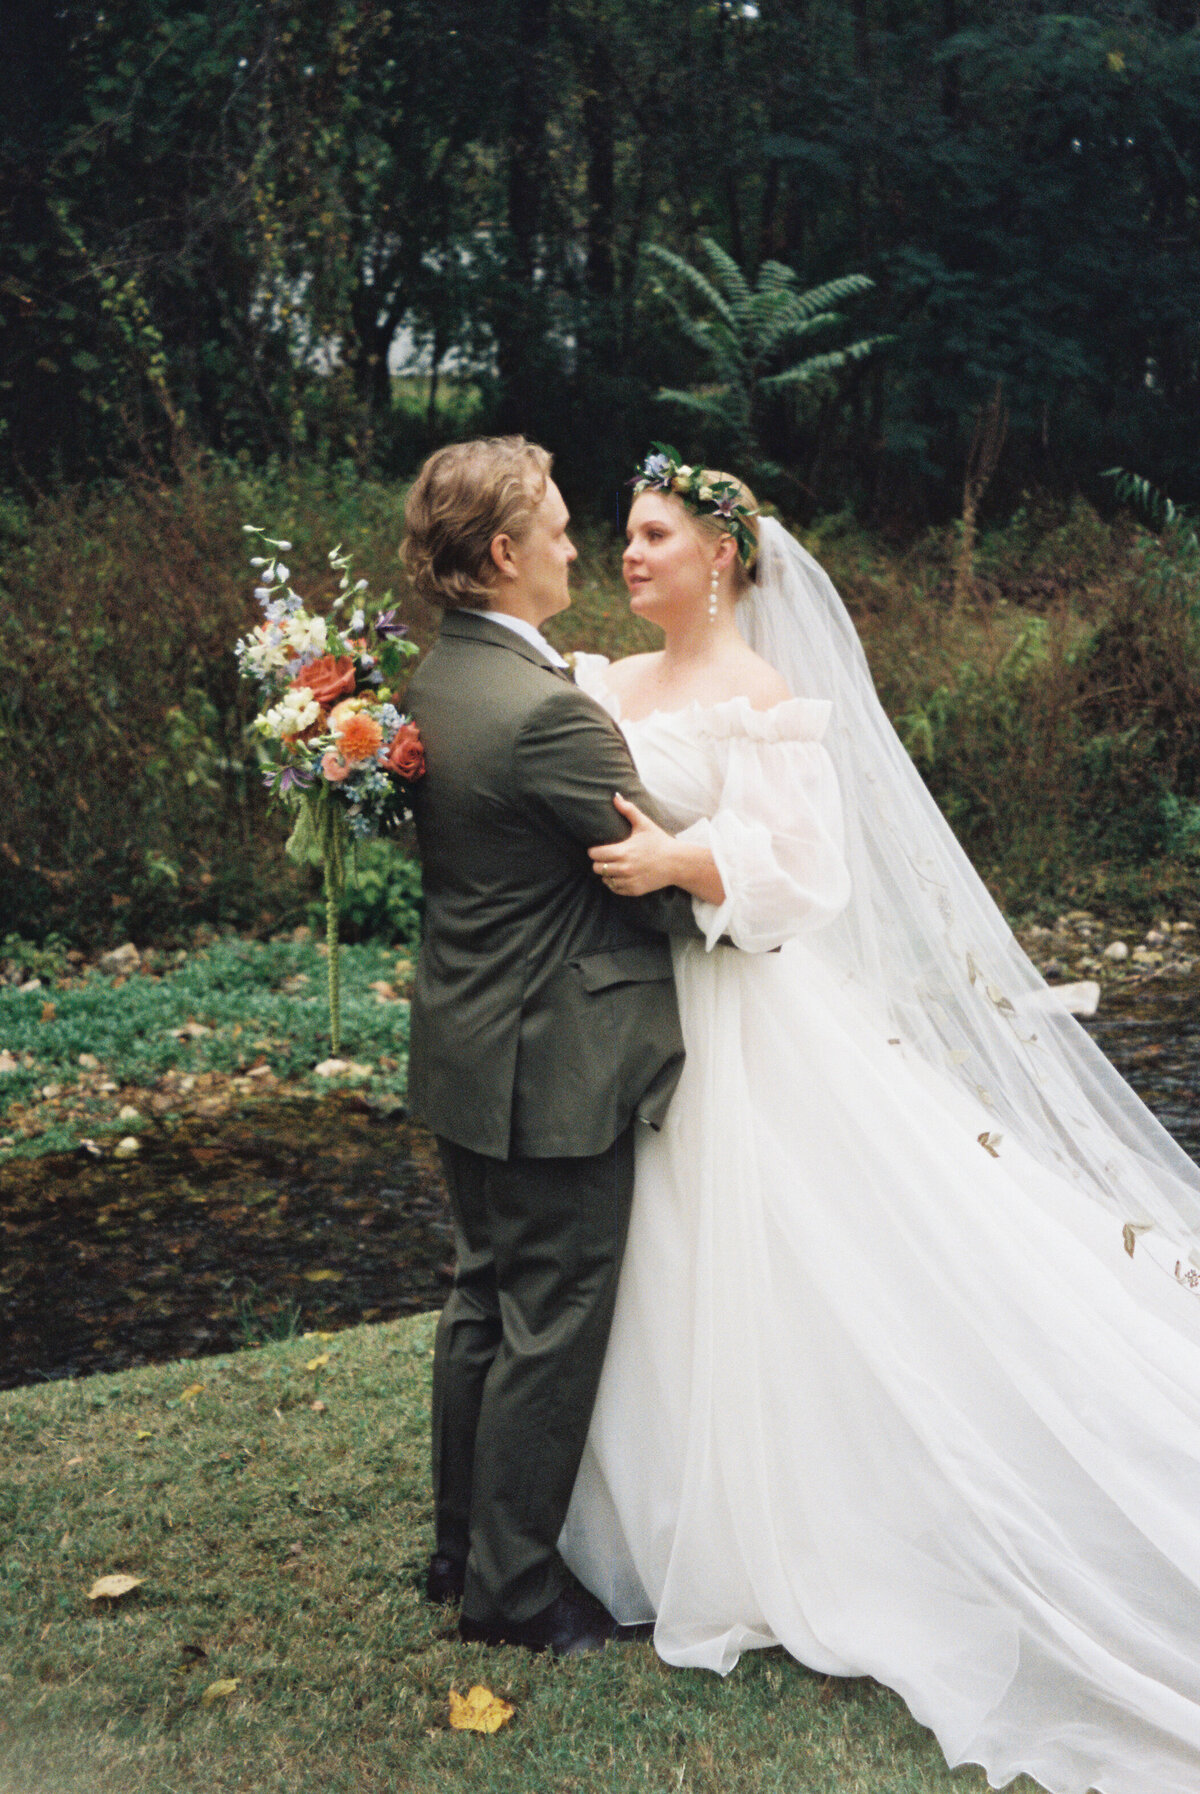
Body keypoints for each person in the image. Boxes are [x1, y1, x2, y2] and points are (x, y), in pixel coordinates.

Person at [557, 446, 1200, 1794]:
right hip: (624, 1008)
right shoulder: (595, 683)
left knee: (770, 1248)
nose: (630, 555)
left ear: (721, 557)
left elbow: (811, 875)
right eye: (622, 533)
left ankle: (783, 1514)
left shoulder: (761, 697)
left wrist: (688, 858)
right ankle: (649, 1506)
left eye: (655, 534)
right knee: (654, 1258)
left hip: (742, 1010)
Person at [399, 436, 723, 1657]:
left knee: (481, 1298)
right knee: (550, 1315)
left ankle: (456, 1549)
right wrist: (736, 878)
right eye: (562, 528)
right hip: (557, 1061)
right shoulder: (547, 717)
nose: (581, 547)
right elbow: (658, 889)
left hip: (467, 1041)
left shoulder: (433, 683)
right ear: (504, 553)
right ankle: (513, 1598)